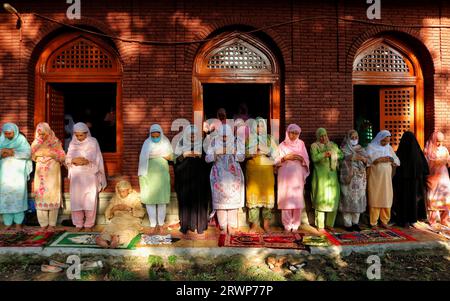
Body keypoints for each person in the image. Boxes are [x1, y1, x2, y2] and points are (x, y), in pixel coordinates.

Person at [66, 122, 107, 231]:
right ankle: (78, 224)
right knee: (76, 200)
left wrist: (86, 160)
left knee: (89, 199)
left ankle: (89, 224)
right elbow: (68, 158)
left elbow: (96, 157)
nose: (79, 138)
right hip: (76, 176)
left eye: (81, 135)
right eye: (77, 135)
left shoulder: (93, 142)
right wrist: (73, 160)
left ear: (86, 133)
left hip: (89, 174)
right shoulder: (72, 143)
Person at [206, 124, 245, 234]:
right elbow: (207, 158)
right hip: (218, 175)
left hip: (233, 176)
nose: (224, 138)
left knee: (232, 200)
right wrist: (216, 153)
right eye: (222, 136)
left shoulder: (235, 142)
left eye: (226, 136)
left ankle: (231, 226)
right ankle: (223, 225)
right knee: (220, 201)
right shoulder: (214, 142)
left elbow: (242, 157)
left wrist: (234, 152)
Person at [174, 125, 211, 236]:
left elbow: (208, 160)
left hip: (199, 179)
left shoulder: (203, 144)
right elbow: (176, 160)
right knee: (186, 200)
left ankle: (199, 225)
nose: (192, 136)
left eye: (194, 134)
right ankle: (186, 225)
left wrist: (200, 155)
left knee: (199, 200)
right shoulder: (181, 144)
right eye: (190, 134)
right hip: (185, 178)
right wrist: (185, 155)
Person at [138, 124, 173, 234]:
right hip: (148, 174)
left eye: (157, 135)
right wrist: (158, 154)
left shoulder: (165, 142)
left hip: (162, 175)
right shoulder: (147, 143)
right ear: (150, 135)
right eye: (153, 136)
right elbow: (142, 158)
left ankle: (161, 224)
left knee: (162, 201)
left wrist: (163, 155)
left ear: (161, 134)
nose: (155, 137)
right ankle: (153, 224)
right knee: (150, 201)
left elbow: (172, 157)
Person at [245, 118, 278, 233]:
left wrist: (266, 150)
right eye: (258, 126)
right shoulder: (249, 139)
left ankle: (266, 225)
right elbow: (242, 154)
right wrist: (252, 152)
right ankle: (254, 225)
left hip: (266, 172)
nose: (260, 128)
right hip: (253, 171)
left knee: (267, 197)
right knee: (253, 197)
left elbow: (276, 154)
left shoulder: (270, 139)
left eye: (262, 126)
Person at [31, 122, 66, 231]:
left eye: (44, 134)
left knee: (52, 194)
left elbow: (62, 156)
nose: (42, 136)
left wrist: (52, 154)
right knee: (41, 195)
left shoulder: (55, 142)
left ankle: (52, 224)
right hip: (40, 174)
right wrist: (41, 153)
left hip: (52, 173)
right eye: (40, 134)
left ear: (48, 132)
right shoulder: (35, 143)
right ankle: (43, 224)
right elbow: (31, 155)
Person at [275, 124, 310, 233]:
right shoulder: (282, 145)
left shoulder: (301, 144)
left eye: (296, 133)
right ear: (287, 132)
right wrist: (285, 158)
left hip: (297, 177)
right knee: (286, 200)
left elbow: (306, 159)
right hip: (285, 176)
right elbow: (276, 160)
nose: (294, 135)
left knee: (296, 200)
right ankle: (286, 225)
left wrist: (300, 157)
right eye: (292, 132)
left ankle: (295, 225)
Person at [393, 132, 429, 228]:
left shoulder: (400, 152)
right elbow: (424, 168)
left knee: (403, 200)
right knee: (413, 200)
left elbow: (397, 170)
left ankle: (404, 220)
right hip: (415, 183)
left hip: (403, 183)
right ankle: (413, 219)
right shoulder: (417, 152)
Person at [0, 123, 32, 231]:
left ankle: (18, 223)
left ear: (15, 131)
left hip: (17, 174)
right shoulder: (1, 140)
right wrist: (2, 153)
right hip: (4, 174)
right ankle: (7, 223)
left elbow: (28, 154)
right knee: (5, 198)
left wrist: (12, 152)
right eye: (6, 133)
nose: (8, 135)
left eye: (10, 133)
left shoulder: (21, 140)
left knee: (18, 197)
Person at [366, 130, 400, 229]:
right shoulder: (371, 147)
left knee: (386, 197)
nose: (385, 143)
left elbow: (397, 161)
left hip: (386, 178)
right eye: (384, 141)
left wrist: (391, 159)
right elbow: (367, 160)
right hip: (375, 177)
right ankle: (373, 222)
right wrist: (377, 160)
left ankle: (384, 221)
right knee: (375, 196)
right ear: (379, 139)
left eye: (387, 141)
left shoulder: (389, 148)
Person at [96, 180, 145, 248]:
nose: (121, 194)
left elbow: (141, 213)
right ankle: (104, 240)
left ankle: (117, 239)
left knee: (129, 231)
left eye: (123, 191)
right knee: (109, 229)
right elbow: (107, 214)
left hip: (131, 220)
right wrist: (114, 209)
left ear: (128, 190)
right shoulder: (116, 198)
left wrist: (129, 209)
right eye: (119, 191)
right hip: (118, 220)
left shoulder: (134, 198)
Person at [311, 128, 343, 230]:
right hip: (320, 177)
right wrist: (325, 154)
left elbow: (341, 155)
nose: (323, 137)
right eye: (321, 135)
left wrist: (333, 154)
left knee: (332, 199)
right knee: (320, 199)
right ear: (317, 136)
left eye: (325, 135)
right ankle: (320, 225)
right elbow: (314, 158)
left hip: (332, 177)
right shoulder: (314, 146)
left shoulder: (332, 145)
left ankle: (330, 224)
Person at [338, 130, 368, 232]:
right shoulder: (343, 148)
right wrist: (353, 157)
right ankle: (347, 224)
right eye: (352, 137)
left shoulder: (361, 148)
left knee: (357, 200)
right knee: (347, 199)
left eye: (356, 137)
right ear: (348, 137)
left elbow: (367, 160)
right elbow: (341, 159)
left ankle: (355, 223)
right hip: (348, 178)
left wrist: (363, 159)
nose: (354, 139)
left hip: (360, 179)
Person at [423, 131, 450, 228]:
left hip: (443, 176)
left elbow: (448, 161)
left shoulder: (444, 149)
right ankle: (432, 220)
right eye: (437, 141)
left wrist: (445, 161)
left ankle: (444, 219)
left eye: (441, 141)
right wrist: (436, 162)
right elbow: (426, 164)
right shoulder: (428, 150)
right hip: (433, 177)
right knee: (433, 197)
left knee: (446, 196)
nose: (439, 144)